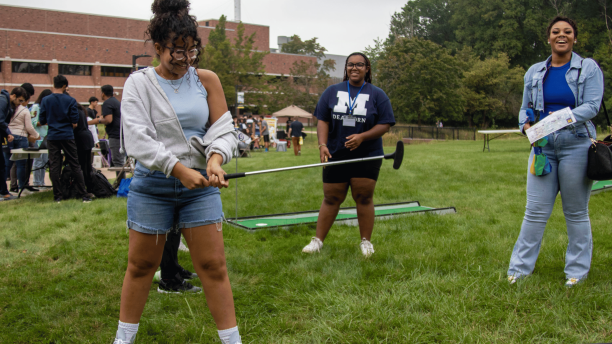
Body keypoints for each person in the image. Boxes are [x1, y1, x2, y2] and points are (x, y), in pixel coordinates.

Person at [114, 1, 241, 343]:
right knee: (141, 267)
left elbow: (223, 130)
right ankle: (123, 340)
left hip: (200, 189)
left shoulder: (206, 80)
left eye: (192, 50)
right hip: (151, 186)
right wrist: (179, 169)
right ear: (158, 48)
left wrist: (215, 160)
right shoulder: (139, 84)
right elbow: (138, 140)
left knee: (213, 267)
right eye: (177, 51)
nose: (186, 58)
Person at [507, 16, 604, 287]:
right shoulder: (535, 71)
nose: (562, 35)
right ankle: (519, 270)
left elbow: (592, 106)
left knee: (575, 212)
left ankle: (576, 272)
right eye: (556, 32)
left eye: (568, 32)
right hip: (542, 149)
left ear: (575, 38)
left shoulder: (588, 69)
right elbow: (525, 107)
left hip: (577, 144)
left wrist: (554, 122)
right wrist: (525, 124)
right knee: (535, 211)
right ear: (548, 37)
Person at [303, 52, 395, 257]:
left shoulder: (377, 94)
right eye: (351, 65)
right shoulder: (332, 91)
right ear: (345, 68)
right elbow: (323, 120)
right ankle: (317, 241)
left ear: (367, 68)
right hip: (336, 153)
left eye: (359, 64)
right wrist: (322, 145)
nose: (355, 68)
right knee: (331, 197)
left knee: (363, 197)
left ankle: (366, 242)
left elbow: (386, 123)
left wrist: (362, 137)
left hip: (368, 155)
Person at [39, 75, 92, 203]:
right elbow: (75, 121)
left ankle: (57, 196)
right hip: (67, 135)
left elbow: (42, 120)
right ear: (64, 86)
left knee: (54, 166)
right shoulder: (71, 100)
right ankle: (83, 194)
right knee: (75, 164)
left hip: (52, 135)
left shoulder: (46, 100)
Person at [4, 87, 40, 193]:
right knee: (21, 164)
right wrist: (37, 135)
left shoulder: (8, 108)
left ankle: (3, 187)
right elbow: (29, 127)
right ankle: (22, 187)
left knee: (7, 163)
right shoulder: (24, 110)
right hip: (21, 137)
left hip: (9, 136)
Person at [94, 85, 124, 172]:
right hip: (121, 134)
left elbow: (108, 120)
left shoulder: (107, 103)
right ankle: (122, 182)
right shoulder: (116, 102)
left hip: (115, 135)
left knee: (117, 162)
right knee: (120, 161)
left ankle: (120, 184)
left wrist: (95, 121)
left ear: (103, 93)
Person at [31, 89, 52, 187]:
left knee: (44, 161)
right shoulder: (36, 107)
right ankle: (36, 182)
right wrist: (46, 122)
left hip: (47, 136)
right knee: (38, 161)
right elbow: (34, 122)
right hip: (38, 136)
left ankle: (42, 182)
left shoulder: (48, 108)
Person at [74, 103, 95, 192]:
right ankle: (90, 187)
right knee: (87, 165)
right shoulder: (82, 110)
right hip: (87, 136)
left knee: (82, 165)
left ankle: (82, 188)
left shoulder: (74, 111)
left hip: (80, 138)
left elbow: (74, 125)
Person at [0, 88, 16, 201]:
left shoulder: (4, 101)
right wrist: (8, 132)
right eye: (19, 100)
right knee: (1, 165)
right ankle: (3, 192)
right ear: (13, 96)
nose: (20, 104)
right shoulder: (3, 101)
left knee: (2, 164)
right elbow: (0, 120)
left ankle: (4, 191)